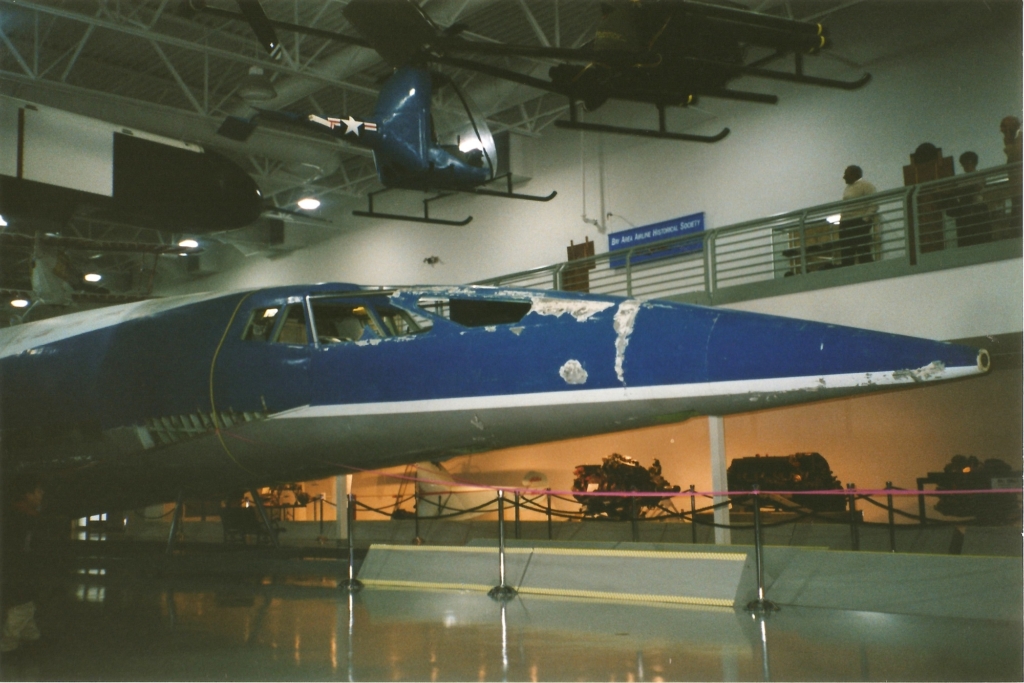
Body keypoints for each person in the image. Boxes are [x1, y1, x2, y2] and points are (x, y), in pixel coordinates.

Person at [1, 474, 45, 653]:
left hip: (16, 570)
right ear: (28, 494)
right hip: (18, 572)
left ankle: (31, 635)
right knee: (21, 606)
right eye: (38, 491)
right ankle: (8, 644)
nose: (41, 495)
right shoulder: (25, 518)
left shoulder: (14, 514)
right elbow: (23, 549)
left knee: (25, 605)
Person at [838, 165, 877, 266]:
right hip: (846, 223)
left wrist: (865, 220)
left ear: (855, 174)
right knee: (846, 254)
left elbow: (874, 204)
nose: (844, 177)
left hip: (858, 222)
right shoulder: (848, 188)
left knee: (862, 251)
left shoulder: (866, 186)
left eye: (846, 174)